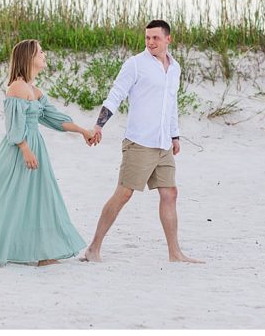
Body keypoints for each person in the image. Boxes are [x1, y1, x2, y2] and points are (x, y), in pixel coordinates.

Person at [0, 39, 93, 267]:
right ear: (29, 57)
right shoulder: (17, 87)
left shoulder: (34, 91)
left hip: (35, 148)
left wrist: (82, 131)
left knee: (41, 198)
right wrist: (25, 149)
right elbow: (13, 125)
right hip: (19, 150)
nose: (44, 54)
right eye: (40, 52)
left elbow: (54, 119)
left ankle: (45, 252)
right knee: (2, 198)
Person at [82, 19, 203, 264]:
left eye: (156, 38)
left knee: (170, 194)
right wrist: (98, 125)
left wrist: (175, 135)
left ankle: (175, 253)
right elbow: (115, 94)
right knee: (123, 194)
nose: (150, 43)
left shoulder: (175, 68)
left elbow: (171, 105)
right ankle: (93, 248)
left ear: (168, 39)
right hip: (139, 142)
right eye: (147, 38)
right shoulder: (135, 65)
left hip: (163, 144)